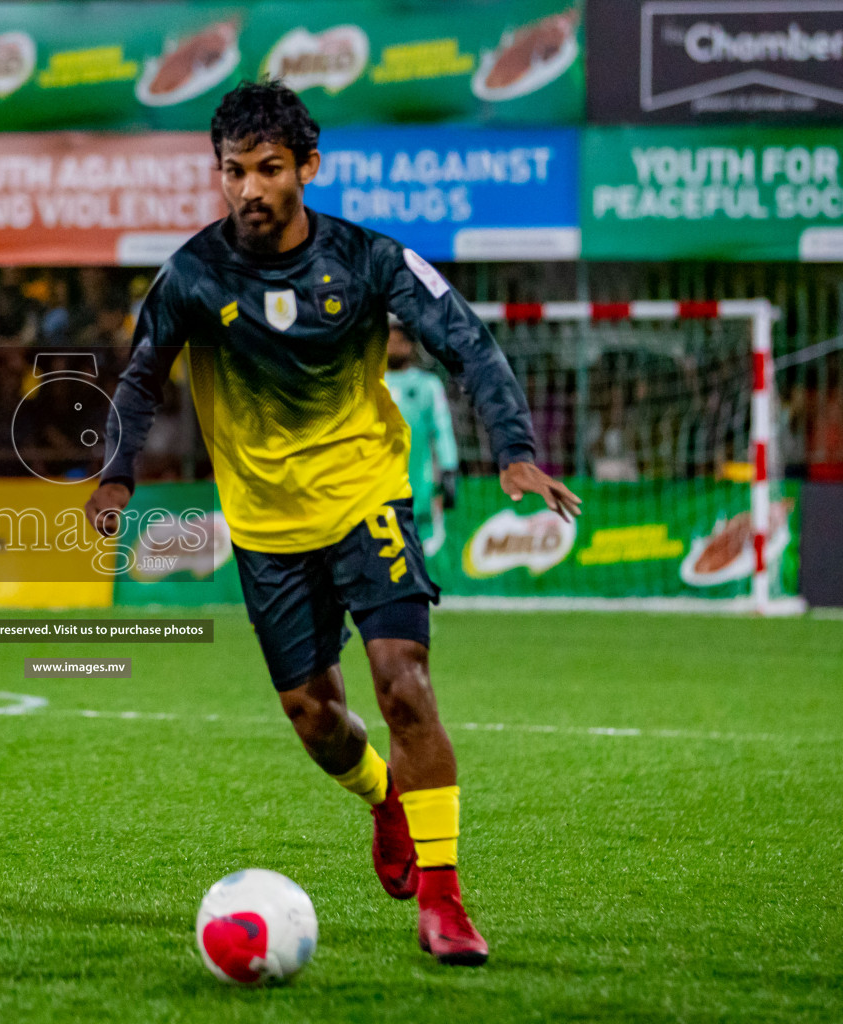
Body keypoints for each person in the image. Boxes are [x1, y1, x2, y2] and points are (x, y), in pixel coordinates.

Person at [84, 82, 581, 967]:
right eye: (233, 172)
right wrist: (117, 475)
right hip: (268, 529)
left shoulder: (368, 260)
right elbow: (139, 377)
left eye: (268, 169)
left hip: (366, 499)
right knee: (317, 719)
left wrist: (512, 447)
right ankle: (388, 796)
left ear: (308, 168)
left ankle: (445, 901)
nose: (249, 189)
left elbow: (466, 341)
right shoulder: (193, 274)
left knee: (404, 685)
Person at [385, 319, 459, 554]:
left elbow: (442, 428)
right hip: (374, 487)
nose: (395, 346)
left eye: (400, 341)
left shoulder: (428, 385)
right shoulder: (368, 384)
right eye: (390, 340)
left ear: (411, 346)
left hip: (420, 486)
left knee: (420, 553)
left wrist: (449, 468)